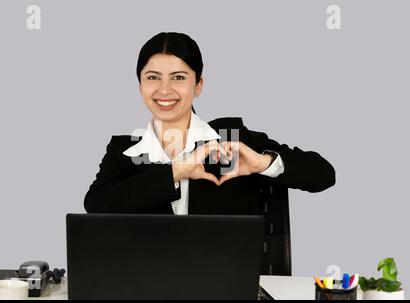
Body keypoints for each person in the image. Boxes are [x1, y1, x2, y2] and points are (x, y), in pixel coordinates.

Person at [84, 32, 335, 215]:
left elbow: (323, 175)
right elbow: (96, 205)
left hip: (226, 285)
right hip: (148, 284)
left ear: (198, 86)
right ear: (140, 86)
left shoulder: (231, 136)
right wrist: (177, 170)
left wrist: (262, 163)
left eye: (179, 77)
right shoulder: (125, 152)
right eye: (152, 78)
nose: (164, 89)